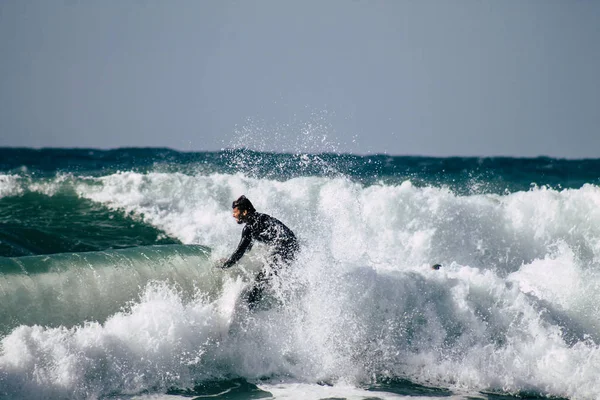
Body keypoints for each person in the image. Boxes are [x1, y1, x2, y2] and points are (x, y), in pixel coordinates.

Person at [220, 195, 299, 308]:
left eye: (235, 212)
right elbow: (246, 248)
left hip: (284, 247)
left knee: (260, 281)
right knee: (268, 277)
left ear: (244, 212)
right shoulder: (260, 218)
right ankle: (276, 304)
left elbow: (240, 252)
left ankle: (253, 308)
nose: (233, 215)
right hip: (292, 244)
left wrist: (225, 265)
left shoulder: (250, 228)